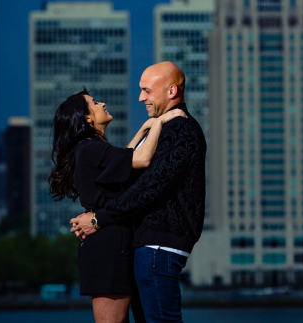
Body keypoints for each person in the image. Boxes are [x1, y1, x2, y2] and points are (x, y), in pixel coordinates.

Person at [70, 62, 207, 323]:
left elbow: (150, 187)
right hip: (147, 245)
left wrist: (98, 219)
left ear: (171, 91)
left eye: (146, 90)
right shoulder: (163, 126)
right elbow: (128, 171)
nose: (140, 97)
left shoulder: (180, 129)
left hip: (160, 245)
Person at [50, 88, 185, 323]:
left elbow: (123, 159)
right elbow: (141, 159)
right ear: (87, 118)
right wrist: (159, 122)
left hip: (109, 241)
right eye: (94, 102)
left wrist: (145, 127)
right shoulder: (91, 148)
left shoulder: (90, 149)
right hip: (108, 246)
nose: (102, 103)